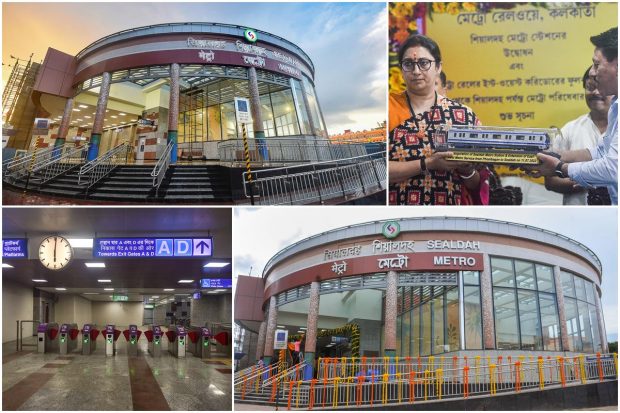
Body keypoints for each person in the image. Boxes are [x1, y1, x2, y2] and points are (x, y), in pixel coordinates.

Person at [389, 34, 484, 205]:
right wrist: (428, 163)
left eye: (424, 63)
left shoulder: (463, 115)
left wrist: (466, 169)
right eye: (409, 64)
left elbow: (478, 183)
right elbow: (378, 171)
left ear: (438, 67)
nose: (416, 71)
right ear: (401, 69)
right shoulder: (388, 106)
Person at [529, 27, 617, 205]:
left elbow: (613, 168)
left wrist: (560, 167)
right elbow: (600, 152)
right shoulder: (616, 107)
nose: (592, 72)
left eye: (596, 64)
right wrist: (554, 155)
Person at [544, 67, 613, 205]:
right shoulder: (569, 130)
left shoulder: (615, 129)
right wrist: (582, 181)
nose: (596, 93)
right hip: (577, 217)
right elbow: (550, 180)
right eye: (590, 87)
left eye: (601, 88)